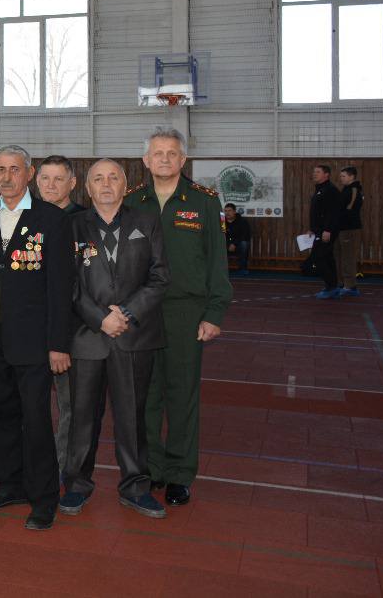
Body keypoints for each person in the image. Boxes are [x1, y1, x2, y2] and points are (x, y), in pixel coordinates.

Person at [0, 145, 73, 531]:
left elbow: (61, 287)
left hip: (34, 343)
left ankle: (44, 498)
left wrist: (59, 343)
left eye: (15, 169)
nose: (7, 177)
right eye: (0, 170)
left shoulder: (52, 219)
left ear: (29, 174)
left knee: (36, 422)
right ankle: (10, 485)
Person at [61, 159, 169, 520]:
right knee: (81, 416)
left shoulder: (147, 222)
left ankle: (136, 487)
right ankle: (76, 484)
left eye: (113, 178)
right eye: (98, 179)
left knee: (132, 416)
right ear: (87, 188)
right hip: (87, 337)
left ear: (126, 185)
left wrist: (126, 314)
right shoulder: (72, 226)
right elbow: (68, 286)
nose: (106, 184)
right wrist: (100, 318)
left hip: (134, 336)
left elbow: (159, 278)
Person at [133, 127, 230, 507]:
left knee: (182, 396)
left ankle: (179, 474)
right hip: (141, 313)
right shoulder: (133, 202)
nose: (164, 159)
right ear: (146, 160)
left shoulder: (204, 202)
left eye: (172, 153)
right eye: (157, 153)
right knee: (145, 396)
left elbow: (217, 261)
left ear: (183, 159)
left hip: (185, 311)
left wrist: (214, 311)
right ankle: (151, 469)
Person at [35, 154, 89, 481]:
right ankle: (36, 466)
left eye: (59, 179)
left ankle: (63, 469)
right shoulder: (24, 216)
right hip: (30, 329)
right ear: (36, 181)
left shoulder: (85, 220)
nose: (51, 185)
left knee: (70, 407)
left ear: (72, 183)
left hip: (72, 330)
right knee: (32, 404)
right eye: (45, 179)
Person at [307, 164, 343, 300]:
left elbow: (333, 213)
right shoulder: (320, 190)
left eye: (318, 172)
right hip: (319, 231)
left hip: (326, 231)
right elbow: (317, 213)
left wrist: (328, 230)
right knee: (328, 258)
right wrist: (312, 228)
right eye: (314, 171)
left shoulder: (330, 190)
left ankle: (331, 287)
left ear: (326, 174)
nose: (314, 174)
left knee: (319, 257)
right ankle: (333, 286)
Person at [334, 167, 363, 297]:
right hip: (340, 228)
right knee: (339, 256)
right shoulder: (345, 190)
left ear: (352, 177)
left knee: (348, 258)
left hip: (349, 228)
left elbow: (347, 210)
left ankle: (350, 285)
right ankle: (341, 283)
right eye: (340, 176)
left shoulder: (354, 190)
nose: (341, 179)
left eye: (343, 176)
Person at [223, 203, 251, 276]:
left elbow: (245, 235)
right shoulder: (222, 222)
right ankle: (221, 269)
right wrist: (229, 244)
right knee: (216, 244)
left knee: (244, 244)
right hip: (225, 245)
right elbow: (221, 235)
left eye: (229, 211)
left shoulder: (242, 221)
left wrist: (234, 244)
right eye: (225, 211)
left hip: (238, 245)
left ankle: (242, 269)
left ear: (234, 211)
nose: (227, 213)